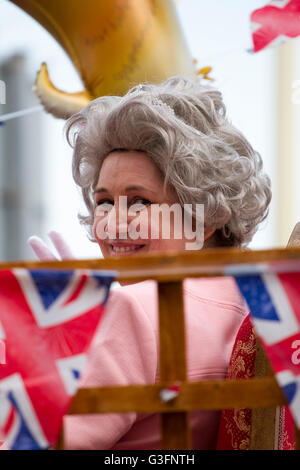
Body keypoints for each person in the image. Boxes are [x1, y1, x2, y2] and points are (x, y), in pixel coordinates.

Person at [28, 75, 271, 449]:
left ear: (204, 219)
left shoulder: (137, 309)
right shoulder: (264, 302)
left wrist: (43, 354)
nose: (112, 223)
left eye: (140, 201)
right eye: (104, 201)